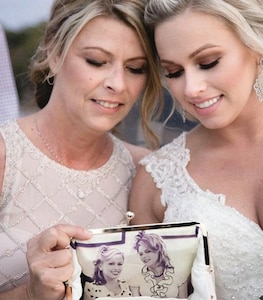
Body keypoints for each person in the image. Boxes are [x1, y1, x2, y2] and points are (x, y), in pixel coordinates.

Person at [129, 0, 263, 299]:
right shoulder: (154, 180)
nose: (191, 88)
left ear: (258, 43)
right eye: (173, 72)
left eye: (208, 62)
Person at [0, 0, 162, 299]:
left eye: (135, 68)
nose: (118, 84)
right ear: (54, 52)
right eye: (97, 61)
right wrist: (31, 294)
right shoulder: (5, 156)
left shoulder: (148, 172)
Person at [130, 230, 188, 298]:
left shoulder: (179, 277)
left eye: (148, 251)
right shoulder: (135, 279)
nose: (144, 256)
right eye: (141, 254)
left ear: (159, 250)